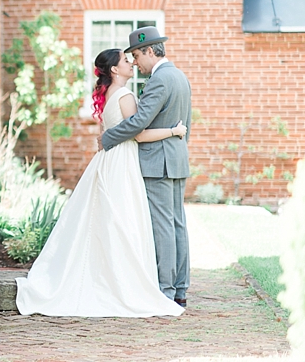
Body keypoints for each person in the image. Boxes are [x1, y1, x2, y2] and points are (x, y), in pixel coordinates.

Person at [15, 48, 185, 317]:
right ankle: (123, 281)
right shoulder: (126, 96)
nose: (131, 62)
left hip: (109, 158)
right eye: (125, 60)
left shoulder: (109, 94)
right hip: (123, 161)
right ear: (115, 70)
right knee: (122, 220)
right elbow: (138, 134)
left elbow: (113, 130)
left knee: (107, 217)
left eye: (132, 58)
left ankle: (100, 275)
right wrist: (174, 130)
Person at [101, 26, 192, 308]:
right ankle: (179, 288)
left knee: (163, 226)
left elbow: (139, 123)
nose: (135, 63)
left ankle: (165, 291)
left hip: (158, 162)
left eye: (137, 56)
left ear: (150, 51)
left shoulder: (159, 80)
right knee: (177, 223)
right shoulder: (179, 76)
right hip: (175, 158)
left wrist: (107, 137)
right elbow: (185, 123)